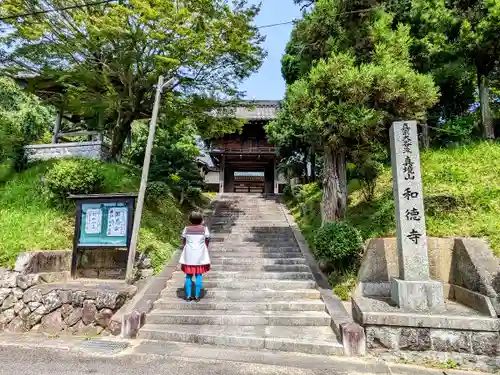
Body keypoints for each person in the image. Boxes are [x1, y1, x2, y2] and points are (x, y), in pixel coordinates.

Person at [179, 211, 211, 302]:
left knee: (188, 276)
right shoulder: (204, 229)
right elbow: (207, 239)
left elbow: (184, 240)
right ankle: (197, 296)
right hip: (200, 255)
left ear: (190, 220)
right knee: (198, 276)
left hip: (189, 255)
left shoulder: (187, 229)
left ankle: (188, 296)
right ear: (201, 220)